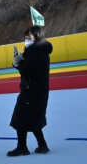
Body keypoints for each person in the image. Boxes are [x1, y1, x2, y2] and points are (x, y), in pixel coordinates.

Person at [8, 25, 53, 157]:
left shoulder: (37, 53)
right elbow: (26, 68)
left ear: (37, 37)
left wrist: (18, 63)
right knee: (32, 117)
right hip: (35, 91)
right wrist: (19, 61)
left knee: (20, 117)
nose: (26, 40)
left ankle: (22, 147)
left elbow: (26, 70)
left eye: (29, 37)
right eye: (26, 37)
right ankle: (42, 145)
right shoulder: (36, 51)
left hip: (32, 92)